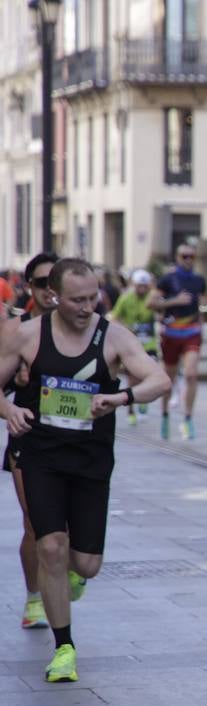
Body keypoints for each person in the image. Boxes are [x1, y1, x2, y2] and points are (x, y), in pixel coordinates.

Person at [0, 257, 170, 681]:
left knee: (86, 564)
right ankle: (64, 648)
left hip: (91, 459)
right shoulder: (27, 336)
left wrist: (121, 398)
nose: (87, 307)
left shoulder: (113, 336)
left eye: (94, 297)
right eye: (77, 299)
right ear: (54, 296)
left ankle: (74, 576)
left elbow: (159, 380)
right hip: (41, 455)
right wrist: (8, 410)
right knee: (50, 547)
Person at [5, 253, 59, 629]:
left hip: (73, 440)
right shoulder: (15, 330)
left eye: (56, 281)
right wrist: (14, 396)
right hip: (28, 434)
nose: (49, 290)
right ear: (30, 287)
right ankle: (34, 597)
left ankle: (70, 572)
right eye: (41, 283)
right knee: (35, 522)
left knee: (66, 527)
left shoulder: (84, 327)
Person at [150, 243, 207, 440]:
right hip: (171, 333)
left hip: (192, 331)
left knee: (191, 374)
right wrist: (174, 301)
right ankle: (165, 413)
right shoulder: (167, 279)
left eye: (192, 256)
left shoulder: (199, 280)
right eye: (185, 256)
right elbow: (152, 303)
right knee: (169, 378)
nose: (189, 260)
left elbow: (201, 304)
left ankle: (188, 417)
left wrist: (202, 323)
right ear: (177, 257)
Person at [109, 270, 160, 426]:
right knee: (133, 378)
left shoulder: (152, 298)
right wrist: (125, 328)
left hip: (149, 342)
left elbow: (160, 313)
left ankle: (143, 399)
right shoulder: (126, 299)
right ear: (134, 285)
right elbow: (113, 317)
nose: (142, 289)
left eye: (145, 286)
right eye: (139, 286)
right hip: (132, 343)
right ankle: (131, 409)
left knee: (148, 373)